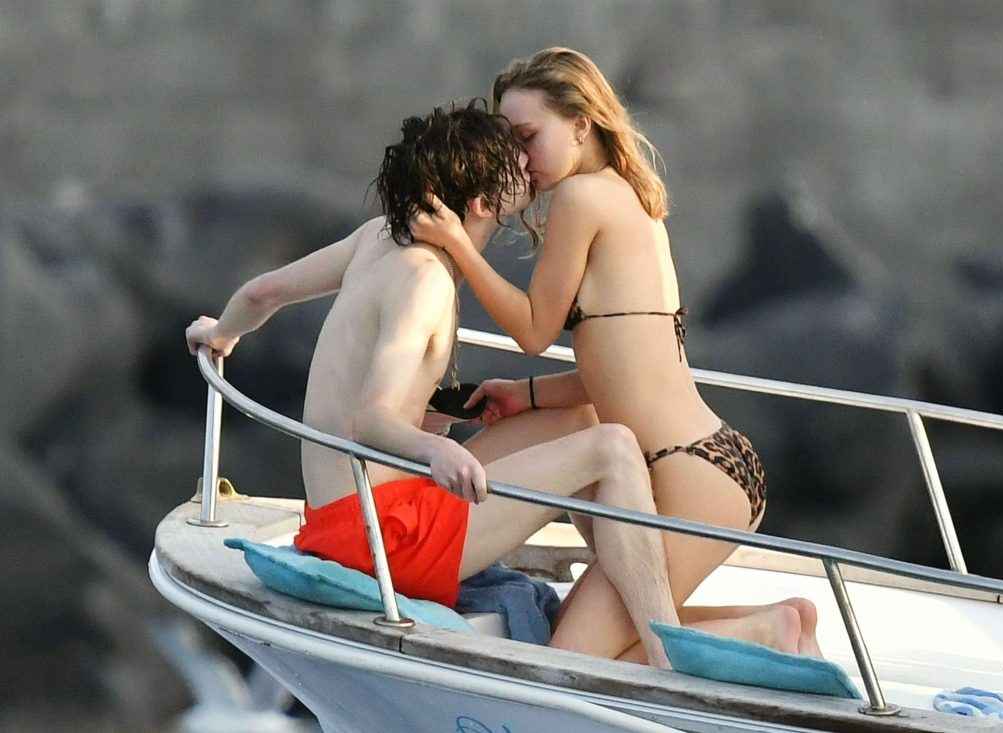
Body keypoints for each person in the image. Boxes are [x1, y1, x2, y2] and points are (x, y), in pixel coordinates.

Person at [185, 99, 683, 668]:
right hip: (383, 539)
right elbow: (370, 419)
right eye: (516, 160)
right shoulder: (426, 282)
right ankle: (665, 653)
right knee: (612, 448)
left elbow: (262, 293)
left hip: (344, 516)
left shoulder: (377, 237)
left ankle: (615, 586)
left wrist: (221, 332)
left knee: (576, 421)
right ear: (481, 204)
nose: (528, 161)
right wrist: (437, 448)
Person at [410, 49, 823, 661]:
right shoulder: (632, 200)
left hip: (685, 471)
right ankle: (779, 621)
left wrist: (458, 244)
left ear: (581, 124)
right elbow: (628, 369)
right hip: (713, 459)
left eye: (528, 137)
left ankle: (763, 634)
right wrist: (525, 394)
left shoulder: (581, 199)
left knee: (576, 656)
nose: (519, 159)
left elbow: (534, 330)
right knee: (622, 630)